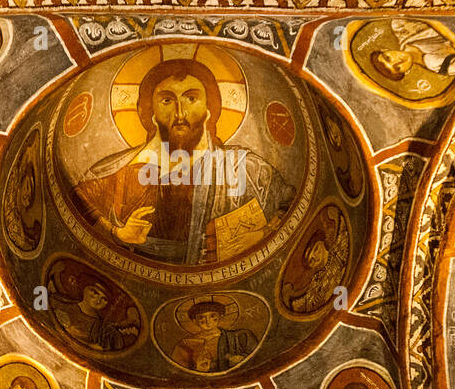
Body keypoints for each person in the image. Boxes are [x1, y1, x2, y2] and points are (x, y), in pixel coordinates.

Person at [70, 59, 294, 264]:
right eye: (167, 100)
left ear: (209, 109)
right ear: (149, 110)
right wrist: (117, 234)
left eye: (191, 98)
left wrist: (260, 236)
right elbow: (79, 205)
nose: (180, 112)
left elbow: (288, 207)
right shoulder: (117, 171)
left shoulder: (245, 168)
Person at [172, 299, 257, 373]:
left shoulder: (239, 337)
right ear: (194, 321)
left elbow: (256, 358)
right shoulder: (185, 344)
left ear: (220, 317)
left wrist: (241, 359)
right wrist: (197, 370)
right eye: (202, 317)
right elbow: (177, 372)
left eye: (212, 316)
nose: (208, 321)